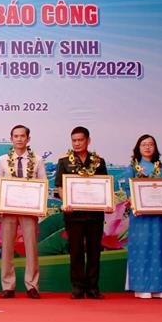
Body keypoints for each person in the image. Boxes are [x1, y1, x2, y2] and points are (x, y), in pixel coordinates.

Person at [54, 126, 111, 300]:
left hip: (95, 215)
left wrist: (107, 202)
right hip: (73, 215)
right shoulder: (64, 161)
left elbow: (104, 186)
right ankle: (78, 287)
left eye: (80, 140)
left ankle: (93, 288)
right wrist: (66, 202)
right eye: (74, 140)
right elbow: (60, 187)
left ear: (88, 140)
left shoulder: (99, 162)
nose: (77, 143)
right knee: (76, 252)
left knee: (94, 252)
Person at [0, 124, 42, 299]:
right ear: (11, 138)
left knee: (31, 247)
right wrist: (0, 204)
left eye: (22, 136)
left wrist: (40, 206)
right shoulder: (2, 160)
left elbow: (42, 183)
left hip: (29, 209)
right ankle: (8, 286)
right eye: (16, 136)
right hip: (8, 208)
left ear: (28, 139)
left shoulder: (37, 160)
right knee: (7, 247)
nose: (19, 139)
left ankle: (32, 285)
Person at [125, 134, 162, 299]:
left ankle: (161, 287)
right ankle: (141, 287)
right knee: (142, 249)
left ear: (155, 147)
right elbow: (128, 191)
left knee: (159, 248)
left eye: (150, 144)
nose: (147, 147)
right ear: (138, 148)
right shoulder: (132, 168)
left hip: (158, 217)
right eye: (144, 144)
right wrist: (135, 202)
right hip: (140, 217)